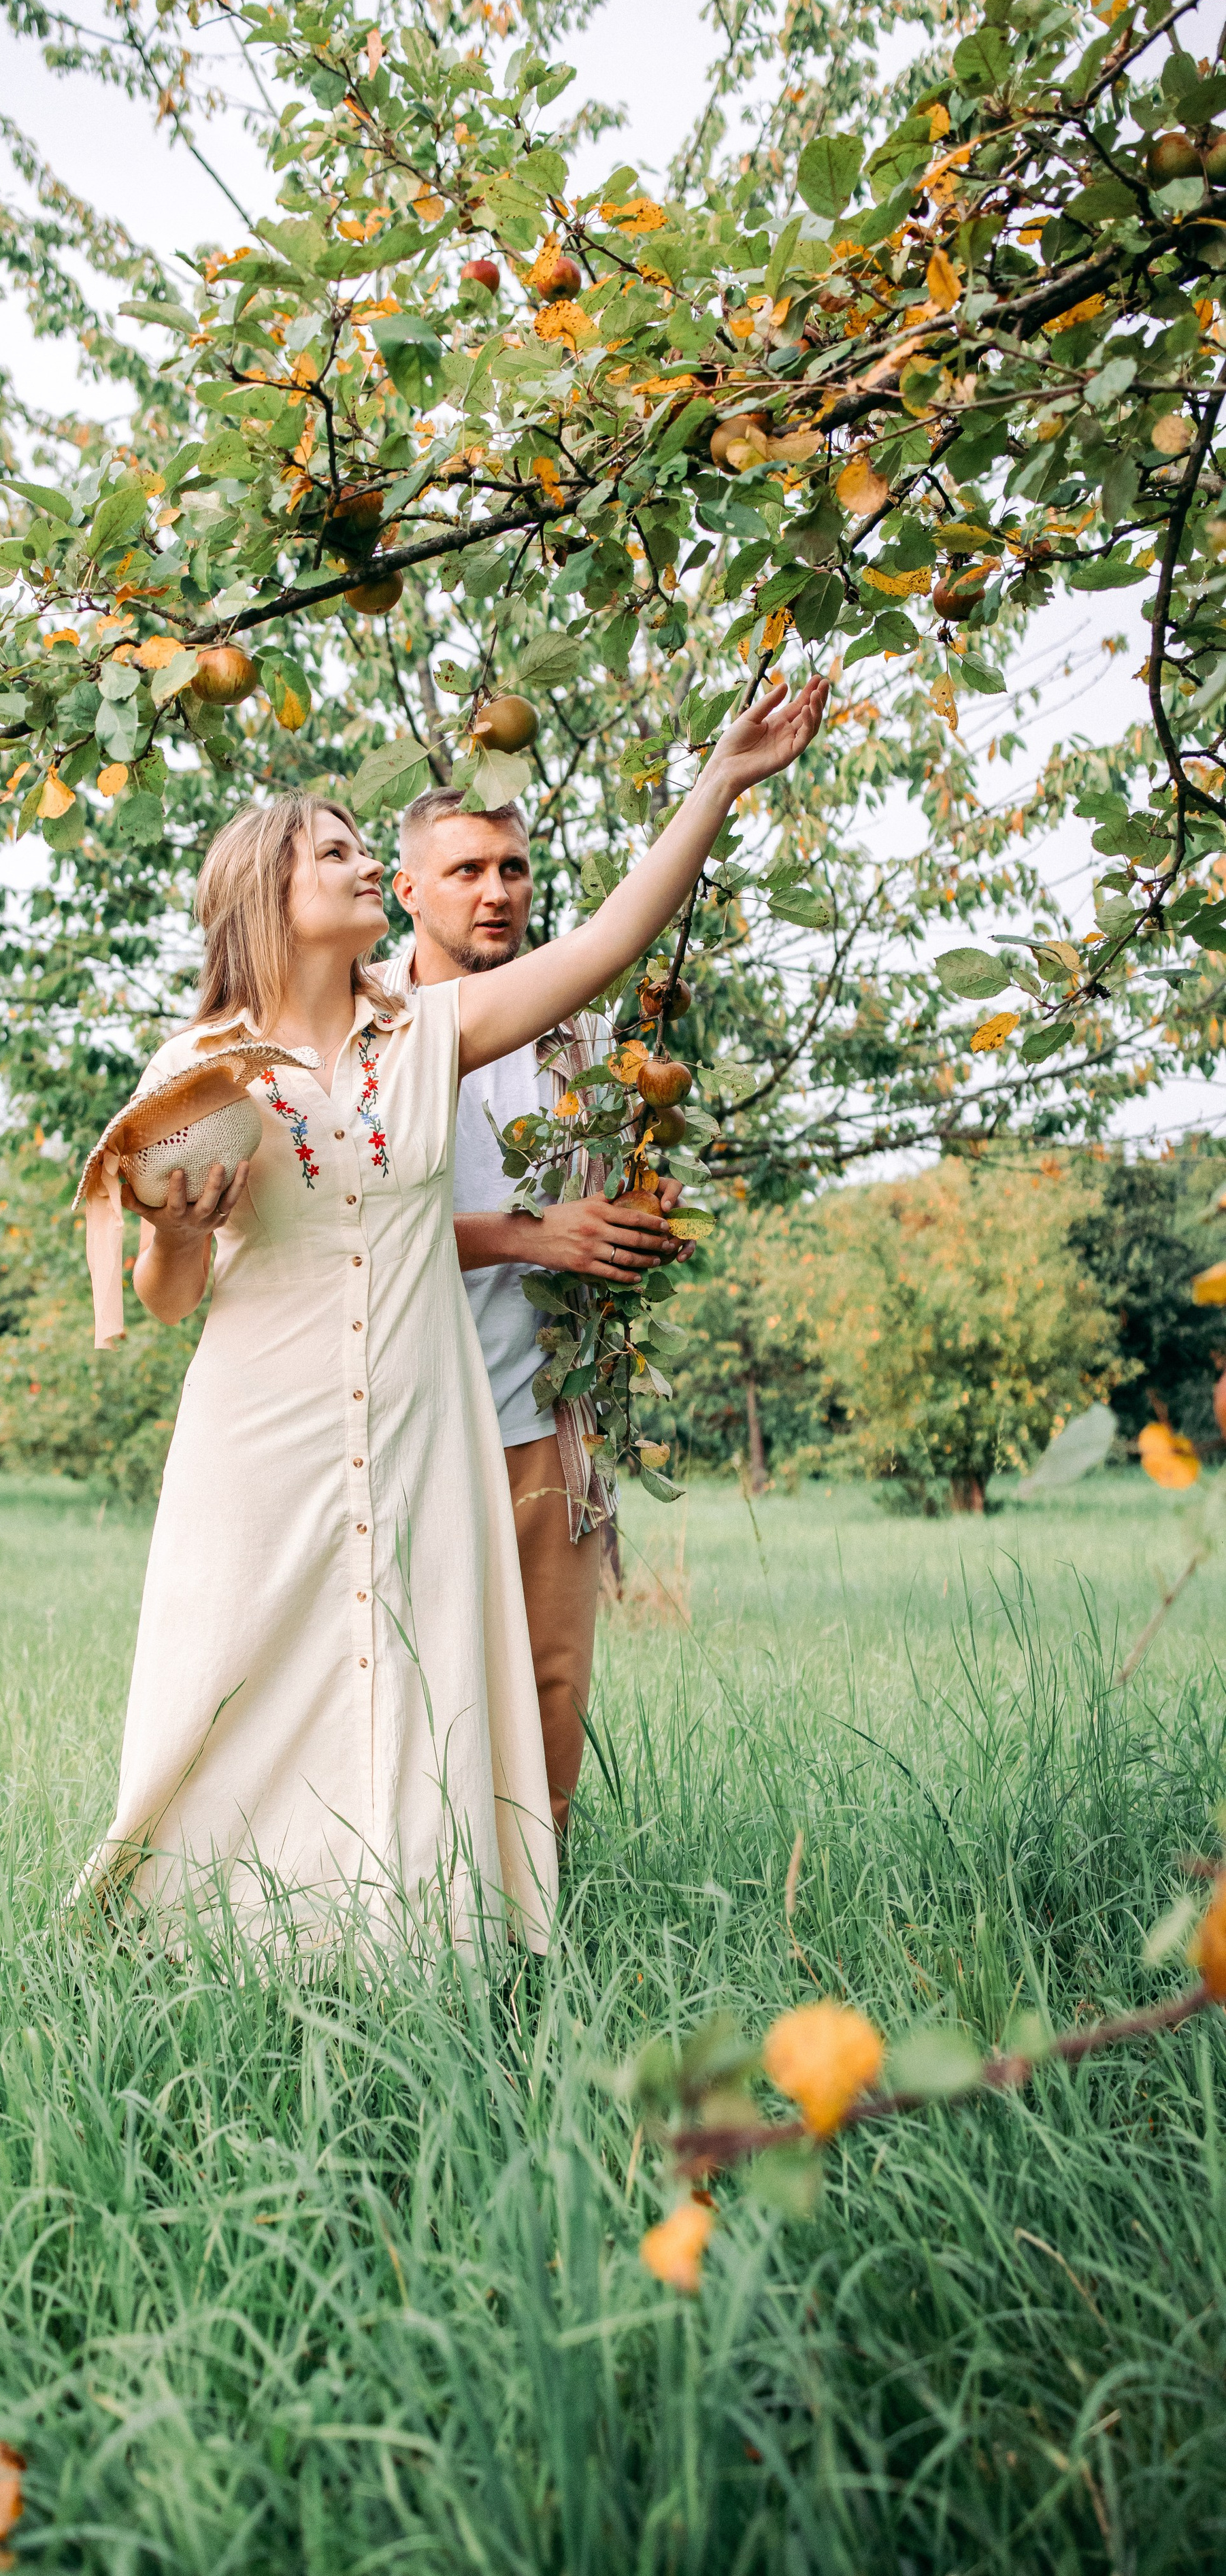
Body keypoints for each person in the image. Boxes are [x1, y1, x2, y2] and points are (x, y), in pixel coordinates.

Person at [81, 678, 827, 1953]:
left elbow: (605, 944)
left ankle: (421, 1943)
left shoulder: (426, 1034)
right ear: (269, 892)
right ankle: (214, 1936)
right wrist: (175, 1231)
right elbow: (164, 1301)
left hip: (424, 1425)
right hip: (262, 1430)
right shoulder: (195, 1067)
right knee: (239, 1681)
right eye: (336, 852)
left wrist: (719, 783)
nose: (367, 863)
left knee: (422, 1692)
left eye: (366, 851)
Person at [387, 785, 694, 1834]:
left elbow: (597, 1197)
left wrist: (639, 1212)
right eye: (467, 869)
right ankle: (412, 1933)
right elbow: (352, 1228)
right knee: (416, 1700)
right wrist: (527, 1233)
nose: (496, 891)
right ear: (407, 888)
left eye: (512, 868)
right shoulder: (364, 1024)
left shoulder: (578, 1034)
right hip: (409, 1417)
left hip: (543, 1419)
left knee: (552, 1697)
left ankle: (535, 1955)